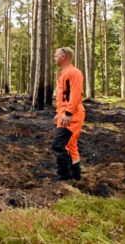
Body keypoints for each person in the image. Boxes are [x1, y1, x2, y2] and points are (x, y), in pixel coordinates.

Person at [52, 47, 85, 181]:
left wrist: (68, 113)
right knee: (70, 145)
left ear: (63, 56)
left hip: (73, 115)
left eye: (56, 55)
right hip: (64, 114)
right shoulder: (63, 73)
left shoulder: (74, 73)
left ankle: (64, 178)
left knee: (58, 145)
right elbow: (63, 97)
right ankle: (76, 177)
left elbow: (76, 94)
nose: (54, 58)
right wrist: (58, 113)